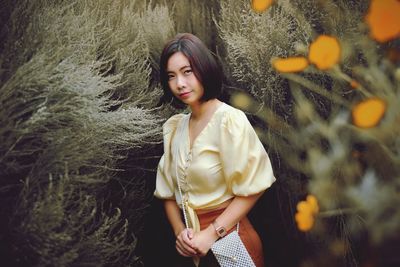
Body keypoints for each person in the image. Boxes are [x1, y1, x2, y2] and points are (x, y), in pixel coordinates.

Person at [154, 33, 276, 267]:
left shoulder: (229, 120)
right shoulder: (175, 127)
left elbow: (254, 187)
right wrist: (181, 234)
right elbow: (167, 193)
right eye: (171, 76)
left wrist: (210, 234)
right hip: (193, 249)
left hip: (233, 242)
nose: (179, 83)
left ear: (203, 68)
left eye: (187, 71)